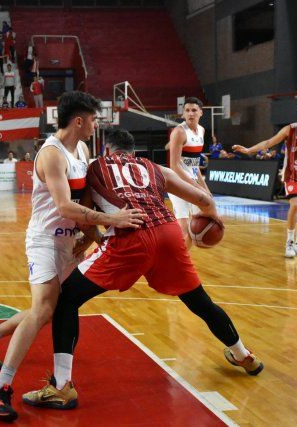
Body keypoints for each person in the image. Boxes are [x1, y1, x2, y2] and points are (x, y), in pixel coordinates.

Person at [22, 128, 263, 411]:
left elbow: (85, 220)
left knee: (66, 299)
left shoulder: (95, 167)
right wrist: (209, 223)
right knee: (199, 301)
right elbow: (205, 201)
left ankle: (61, 387)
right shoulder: (153, 167)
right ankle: (243, 355)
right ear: (133, 152)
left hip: (131, 237)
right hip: (169, 233)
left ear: (107, 151)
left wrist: (94, 239)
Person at [0, 91, 145, 422]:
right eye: (93, 119)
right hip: (45, 241)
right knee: (43, 311)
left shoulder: (82, 148)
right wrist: (112, 221)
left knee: (55, 308)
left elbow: (86, 198)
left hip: (70, 241)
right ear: (79, 121)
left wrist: (90, 233)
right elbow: (64, 206)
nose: (96, 124)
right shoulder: (52, 154)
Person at [233, 103, 297, 257]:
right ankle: (288, 242)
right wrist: (249, 150)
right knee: (294, 206)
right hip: (291, 174)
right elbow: (269, 142)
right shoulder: (290, 129)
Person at [168, 97, 211, 248]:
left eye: (194, 110)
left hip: (192, 182)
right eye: (187, 110)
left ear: (201, 112)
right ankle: (178, 264)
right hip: (177, 184)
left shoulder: (201, 131)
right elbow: (174, 166)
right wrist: (197, 187)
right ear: (183, 114)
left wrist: (204, 187)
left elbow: (195, 165)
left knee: (194, 230)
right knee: (185, 230)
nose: (190, 113)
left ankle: (180, 260)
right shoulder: (179, 132)